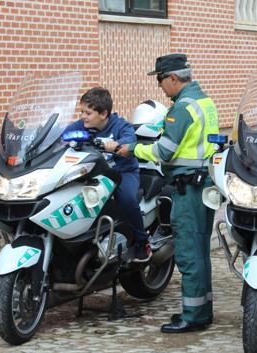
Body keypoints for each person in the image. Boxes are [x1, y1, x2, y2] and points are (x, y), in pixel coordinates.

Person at [112, 53, 219, 333]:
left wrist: (131, 149)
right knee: (200, 250)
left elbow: (164, 151)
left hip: (188, 188)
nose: (160, 86)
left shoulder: (182, 108)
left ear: (173, 78)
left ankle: (193, 317)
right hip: (204, 185)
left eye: (160, 80)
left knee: (187, 252)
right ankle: (202, 309)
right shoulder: (203, 102)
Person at [64, 87, 150, 262]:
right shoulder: (81, 126)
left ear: (103, 114)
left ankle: (142, 241)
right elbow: (62, 135)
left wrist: (117, 144)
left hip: (122, 172)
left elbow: (130, 139)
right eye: (82, 112)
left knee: (127, 199)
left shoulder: (120, 125)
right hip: (93, 174)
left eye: (88, 113)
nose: (83, 116)